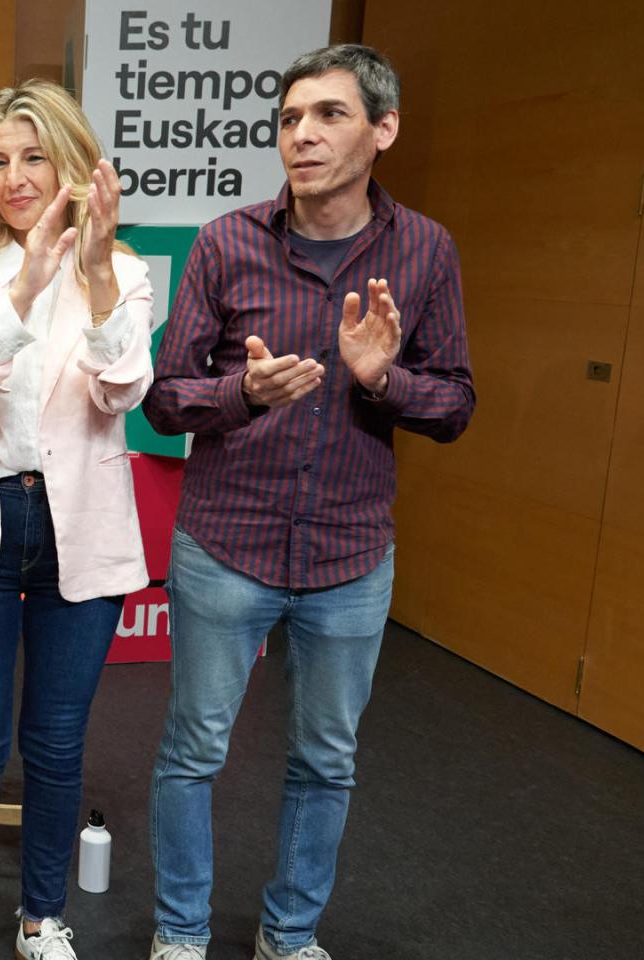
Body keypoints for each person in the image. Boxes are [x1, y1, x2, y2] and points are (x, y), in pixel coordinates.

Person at [140, 44, 475, 960]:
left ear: (383, 128)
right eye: (289, 119)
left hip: (349, 556)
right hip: (227, 543)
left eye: (328, 115)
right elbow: (164, 397)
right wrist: (242, 396)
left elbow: (455, 405)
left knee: (326, 761)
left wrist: (385, 381)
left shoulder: (425, 251)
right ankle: (180, 933)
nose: (302, 135)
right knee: (192, 752)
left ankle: (288, 937)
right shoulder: (226, 241)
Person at [0, 79, 155, 960]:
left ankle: (43, 916)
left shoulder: (123, 272)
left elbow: (126, 388)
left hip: (76, 524)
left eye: (33, 156)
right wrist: (24, 289)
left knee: (54, 742)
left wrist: (85, 279)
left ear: (72, 163)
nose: (14, 177)